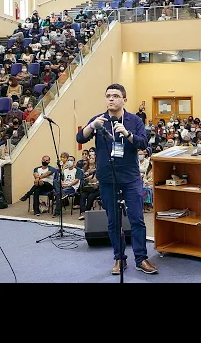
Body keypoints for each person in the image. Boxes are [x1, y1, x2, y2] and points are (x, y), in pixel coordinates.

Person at [76, 84, 157, 275]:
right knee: (113, 222)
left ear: (124, 100)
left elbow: (143, 143)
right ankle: (119, 259)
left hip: (130, 177)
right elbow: (80, 138)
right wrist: (91, 126)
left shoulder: (134, 120)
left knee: (137, 219)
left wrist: (127, 134)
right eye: (108, 96)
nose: (111, 99)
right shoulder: (99, 120)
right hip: (107, 178)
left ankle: (141, 259)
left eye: (115, 96)